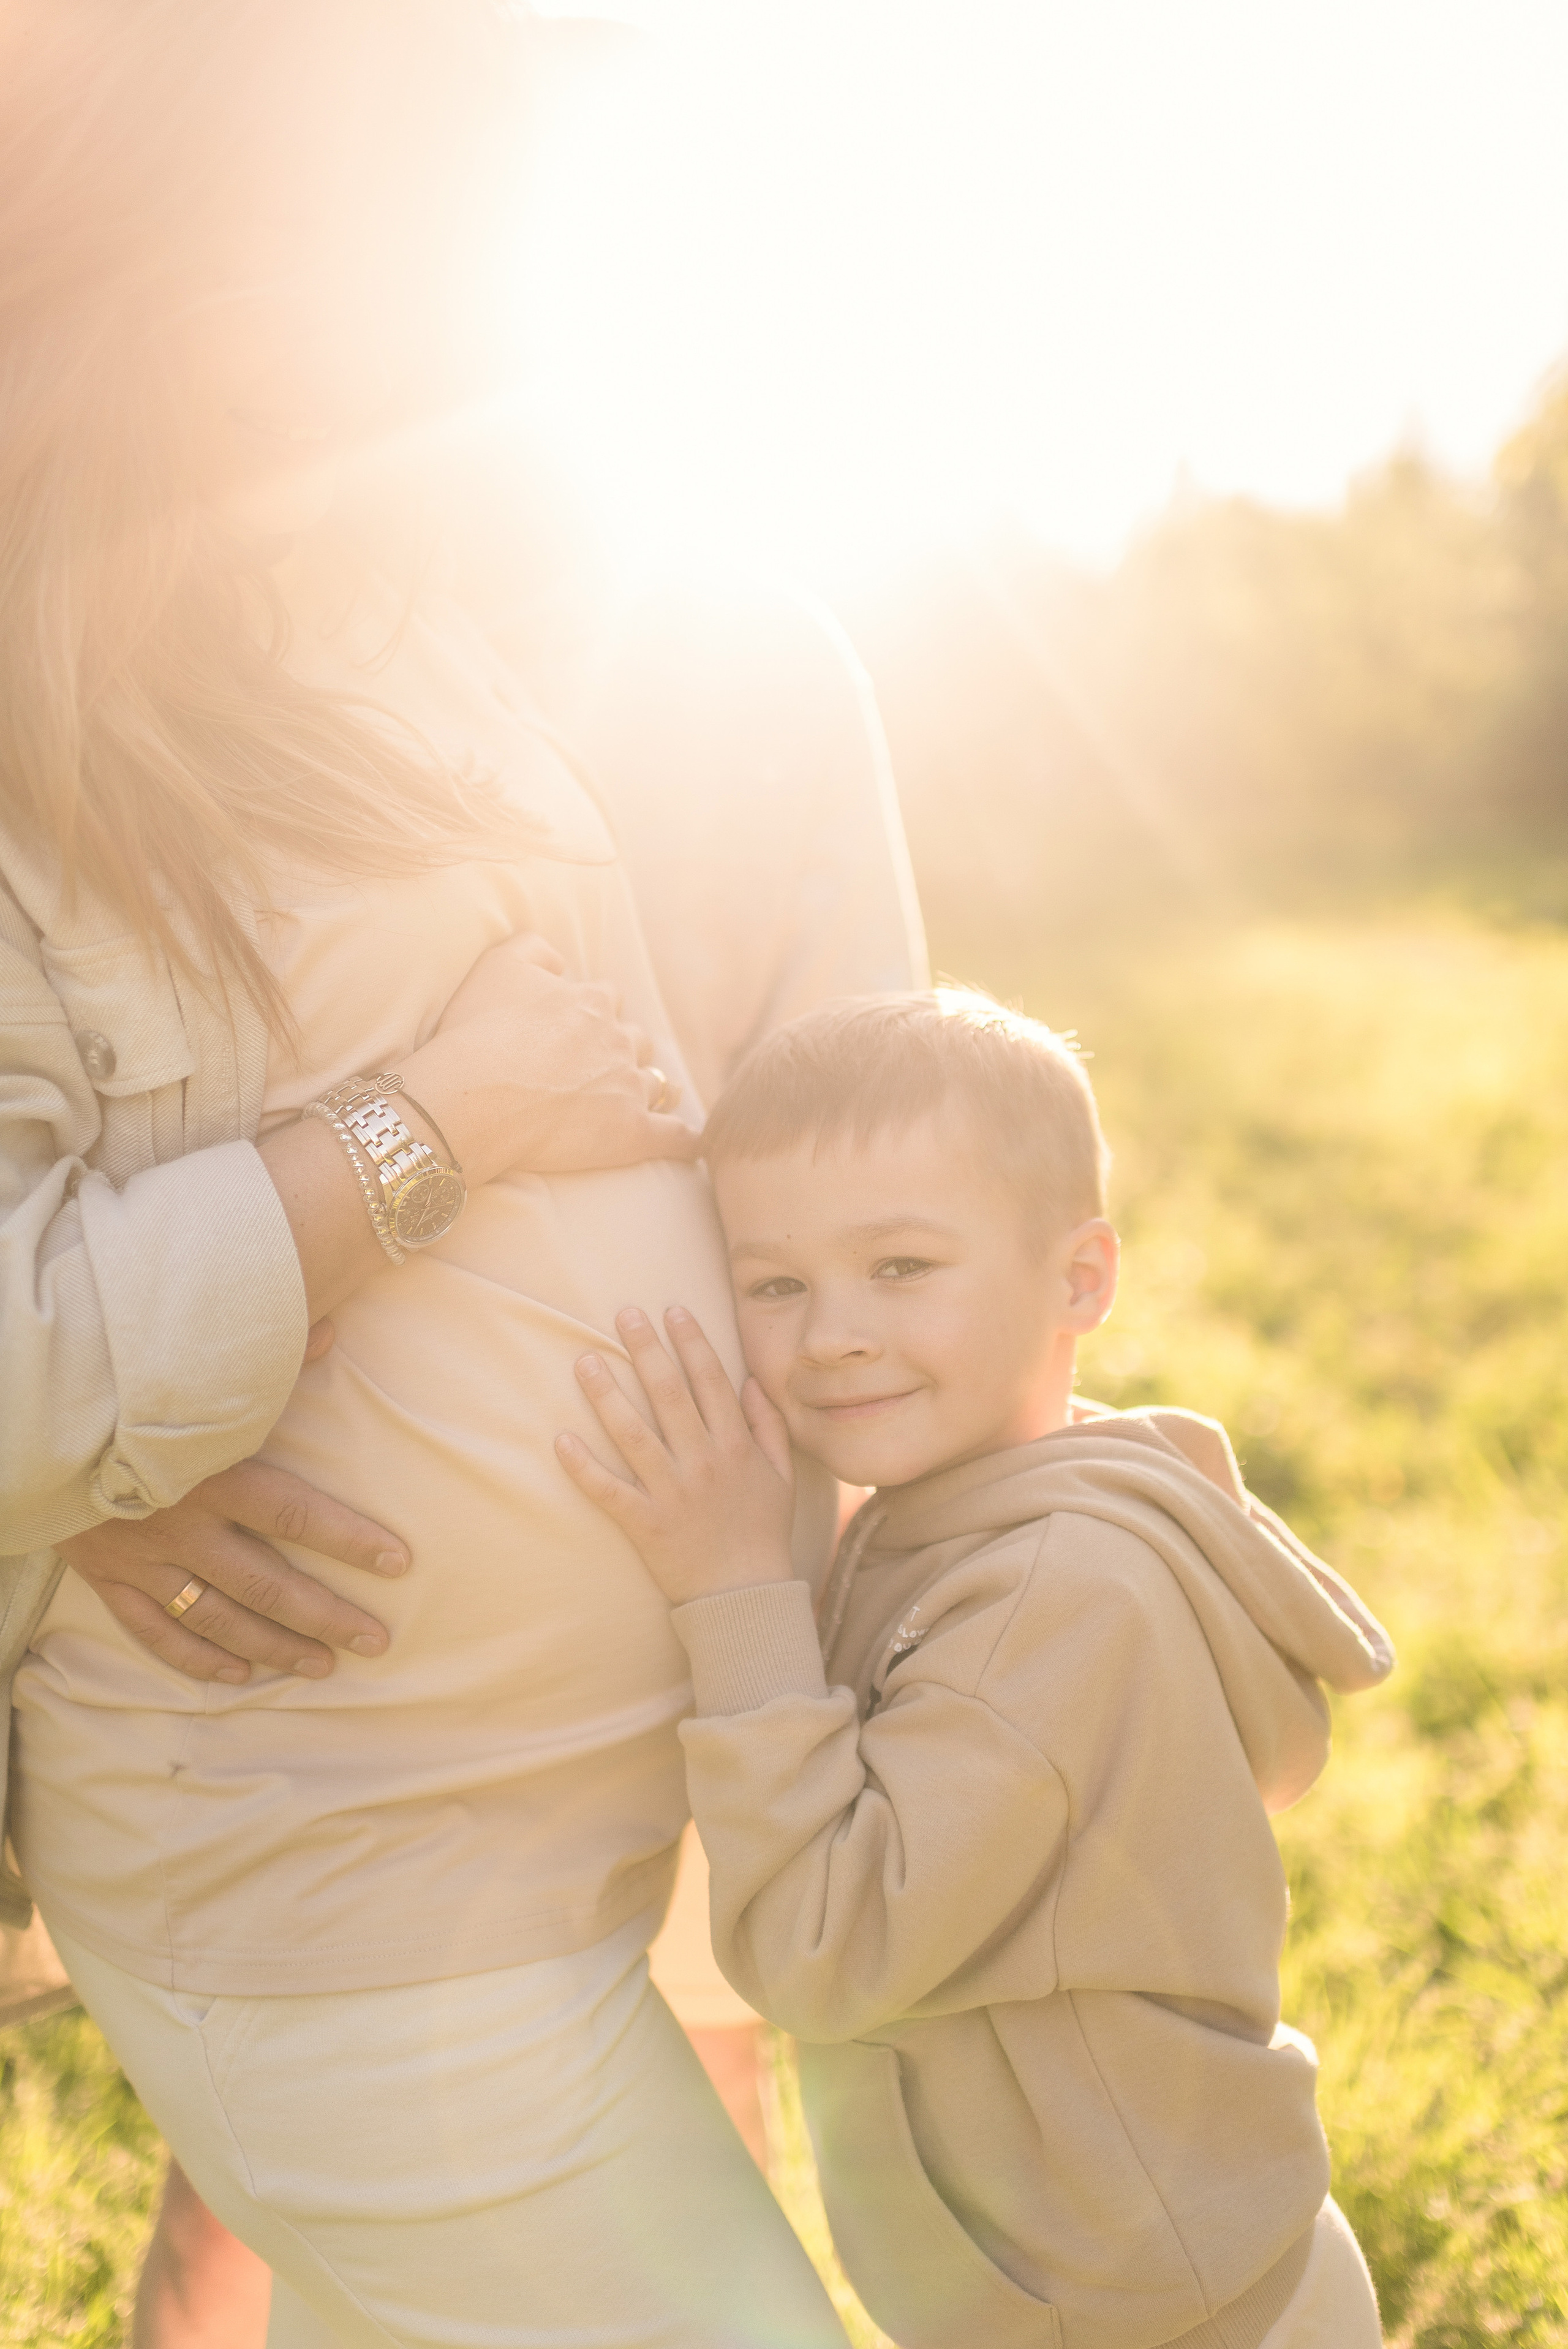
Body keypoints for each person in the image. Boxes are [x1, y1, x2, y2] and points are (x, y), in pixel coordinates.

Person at [0, 6, 921, 2342]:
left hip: (624, 1735)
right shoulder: (112, 653)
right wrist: (84, 1449)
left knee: (623, 2097)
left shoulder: (728, 657)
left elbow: (883, 1177)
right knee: (361, 2191)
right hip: (316, 1824)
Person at [559, 988, 1394, 2349]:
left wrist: (730, 1586)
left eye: (899, 1269)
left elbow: (826, 1953)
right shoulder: (1017, 1510)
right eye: (775, 1284)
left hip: (1139, 2310)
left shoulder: (1047, 1601)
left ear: (1078, 1279)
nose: (829, 1332)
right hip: (1170, 2252)